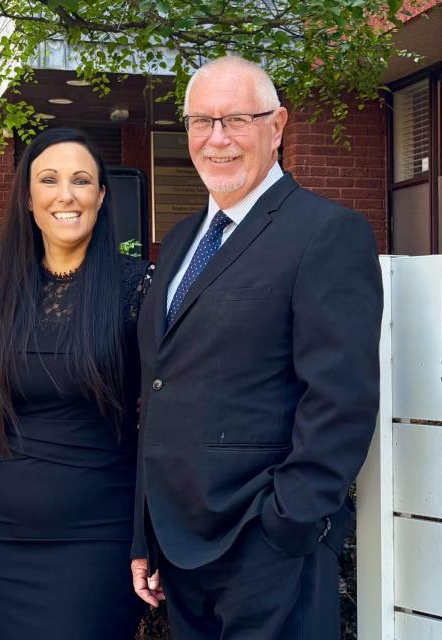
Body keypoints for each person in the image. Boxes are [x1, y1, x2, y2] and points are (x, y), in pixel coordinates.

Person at [131, 56, 382, 639]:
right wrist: (145, 532)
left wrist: (287, 522)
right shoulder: (182, 241)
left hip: (266, 547)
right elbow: (160, 388)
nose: (216, 138)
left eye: (237, 119)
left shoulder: (326, 232)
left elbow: (341, 400)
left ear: (277, 126)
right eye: (201, 121)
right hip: (181, 548)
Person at [0, 127, 152, 639]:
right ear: (28, 199)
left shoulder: (138, 287)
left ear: (101, 196)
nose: (65, 195)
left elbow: (166, 412)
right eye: (48, 180)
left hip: (100, 539)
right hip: (2, 538)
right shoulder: (0, 289)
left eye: (81, 180)